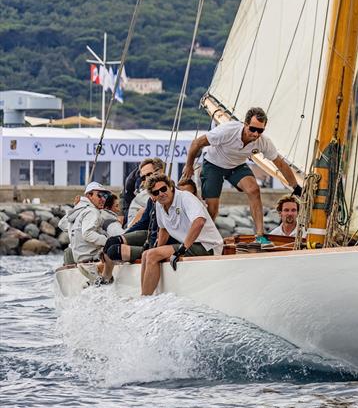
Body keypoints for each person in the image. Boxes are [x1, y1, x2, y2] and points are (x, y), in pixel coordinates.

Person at [181, 107, 301, 244]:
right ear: (245, 124)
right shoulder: (227, 131)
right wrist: (189, 165)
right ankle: (206, 241)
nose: (256, 134)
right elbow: (197, 143)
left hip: (236, 166)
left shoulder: (263, 142)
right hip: (214, 164)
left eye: (260, 131)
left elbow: (280, 163)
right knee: (212, 208)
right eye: (253, 129)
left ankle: (260, 235)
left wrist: (295, 187)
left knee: (254, 190)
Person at [140, 173, 223, 296]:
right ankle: (144, 294)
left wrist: (182, 249)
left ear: (171, 187)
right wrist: (158, 250)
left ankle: (145, 299)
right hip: (191, 245)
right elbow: (163, 230)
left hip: (207, 246)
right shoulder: (159, 204)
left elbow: (199, 221)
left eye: (163, 189)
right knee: (146, 254)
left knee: (152, 255)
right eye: (156, 192)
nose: (161, 194)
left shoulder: (185, 197)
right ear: (153, 196)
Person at [99, 179, 196, 283]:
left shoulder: (176, 200)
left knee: (114, 251)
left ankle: (139, 289)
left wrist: (155, 249)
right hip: (149, 237)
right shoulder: (152, 200)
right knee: (111, 242)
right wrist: (126, 234)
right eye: (144, 176)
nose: (146, 178)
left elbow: (168, 231)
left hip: (163, 242)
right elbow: (144, 222)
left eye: (149, 174)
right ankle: (106, 277)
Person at [58, 182, 112, 264]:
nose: (103, 199)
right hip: (90, 258)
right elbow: (87, 233)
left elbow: (62, 224)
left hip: (76, 256)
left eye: (105, 196)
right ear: (89, 195)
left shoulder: (78, 210)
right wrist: (109, 241)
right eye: (99, 195)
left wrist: (76, 206)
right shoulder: (92, 211)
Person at [126, 158, 165, 228]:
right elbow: (130, 229)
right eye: (143, 178)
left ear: (160, 172)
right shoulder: (141, 198)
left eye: (149, 174)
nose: (146, 180)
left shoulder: (176, 192)